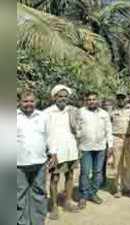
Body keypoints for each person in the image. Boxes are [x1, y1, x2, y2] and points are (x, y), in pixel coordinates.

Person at [17, 90, 57, 225]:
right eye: (25, 101)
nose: (29, 104)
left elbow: (50, 136)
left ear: (36, 102)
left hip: (40, 162)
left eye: (31, 101)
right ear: (19, 102)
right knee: (19, 194)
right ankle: (22, 221)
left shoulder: (43, 116)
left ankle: (38, 221)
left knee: (39, 192)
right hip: (18, 163)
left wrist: (53, 152)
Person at [45, 85, 80, 220]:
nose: (63, 99)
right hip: (55, 151)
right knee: (54, 178)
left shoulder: (71, 111)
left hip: (71, 149)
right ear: (54, 97)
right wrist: (51, 151)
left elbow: (77, 128)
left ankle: (67, 201)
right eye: (60, 96)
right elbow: (46, 134)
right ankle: (54, 206)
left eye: (65, 96)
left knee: (70, 175)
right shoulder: (48, 113)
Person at [76, 91, 113, 209]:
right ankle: (83, 196)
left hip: (100, 147)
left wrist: (110, 145)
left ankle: (93, 193)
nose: (92, 101)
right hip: (85, 147)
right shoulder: (80, 112)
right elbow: (76, 129)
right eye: (89, 99)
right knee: (85, 172)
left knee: (98, 173)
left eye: (94, 99)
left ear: (98, 100)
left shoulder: (104, 114)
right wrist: (78, 144)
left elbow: (108, 130)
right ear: (86, 101)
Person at [109, 90, 130, 198]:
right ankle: (118, 188)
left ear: (127, 98)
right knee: (117, 164)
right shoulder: (112, 110)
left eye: (123, 98)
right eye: (119, 98)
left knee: (129, 165)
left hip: (129, 139)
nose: (121, 100)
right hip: (116, 138)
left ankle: (129, 187)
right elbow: (108, 125)